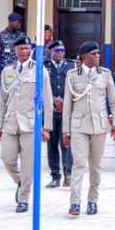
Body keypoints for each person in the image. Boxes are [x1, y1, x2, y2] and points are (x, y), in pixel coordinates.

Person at [61, 41, 115, 216]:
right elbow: (67, 105)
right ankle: (75, 202)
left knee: (95, 166)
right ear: (84, 56)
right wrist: (65, 130)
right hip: (78, 126)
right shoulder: (72, 75)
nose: (97, 56)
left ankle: (93, 200)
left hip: (99, 127)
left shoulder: (105, 74)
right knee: (79, 164)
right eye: (93, 53)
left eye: (98, 53)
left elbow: (114, 102)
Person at [0, 36, 50, 213]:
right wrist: (0, 125)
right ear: (15, 50)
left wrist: (47, 127)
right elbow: (3, 100)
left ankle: (24, 198)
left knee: (28, 164)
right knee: (7, 158)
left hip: (30, 124)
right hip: (10, 123)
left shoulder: (39, 70)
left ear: (31, 50)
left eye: (27, 48)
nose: (24, 51)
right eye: (21, 48)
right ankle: (20, 181)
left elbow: (47, 100)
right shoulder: (7, 71)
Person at [45, 40, 74, 187]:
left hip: (66, 111)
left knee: (66, 143)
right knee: (52, 145)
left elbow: (75, 87)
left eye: (62, 50)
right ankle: (55, 176)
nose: (60, 53)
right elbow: (40, 88)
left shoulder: (71, 66)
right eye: (57, 50)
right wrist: (52, 101)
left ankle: (68, 174)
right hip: (50, 111)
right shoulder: (44, 66)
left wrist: (65, 102)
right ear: (50, 51)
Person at [0, 12, 27, 86]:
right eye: (17, 22)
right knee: (7, 92)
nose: (19, 24)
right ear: (10, 22)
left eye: (20, 22)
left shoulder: (22, 36)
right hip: (6, 71)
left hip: (20, 71)